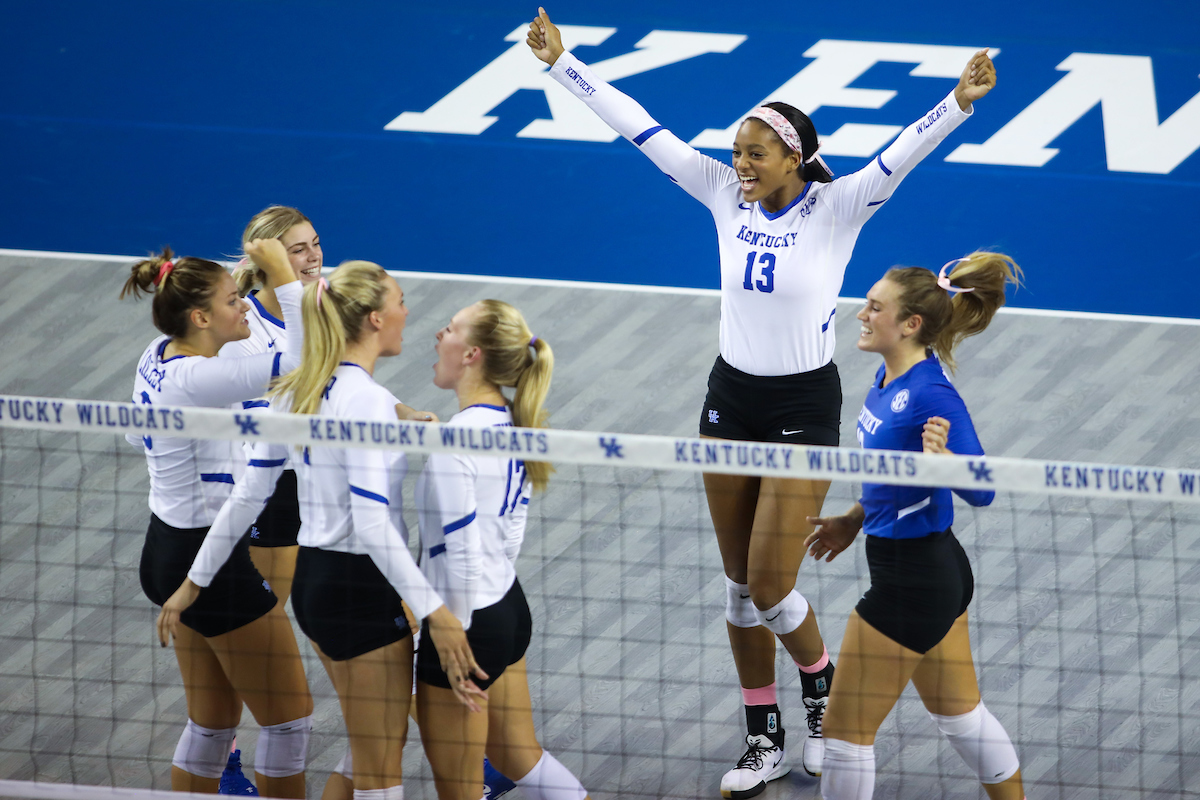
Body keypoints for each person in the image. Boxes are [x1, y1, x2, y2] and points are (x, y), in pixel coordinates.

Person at [526, 8, 997, 794]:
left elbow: (900, 157)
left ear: (793, 158)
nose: (739, 163)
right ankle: (762, 736)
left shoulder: (838, 207)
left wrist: (957, 101)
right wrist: (561, 65)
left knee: (774, 582)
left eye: (755, 153)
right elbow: (641, 130)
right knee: (740, 589)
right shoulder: (719, 193)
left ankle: (819, 693)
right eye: (737, 152)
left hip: (804, 406)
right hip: (730, 398)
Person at [162, 261, 487, 800]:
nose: (410, 313)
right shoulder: (367, 402)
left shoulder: (298, 388)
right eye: (402, 301)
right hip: (359, 586)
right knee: (381, 767)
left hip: (315, 584)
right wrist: (436, 612)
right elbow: (372, 521)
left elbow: (250, 494)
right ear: (377, 319)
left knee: (368, 753)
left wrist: (194, 580)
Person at [804, 252, 1025, 799]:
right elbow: (894, 470)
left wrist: (945, 460)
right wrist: (856, 517)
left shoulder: (931, 391)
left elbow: (982, 488)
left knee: (844, 735)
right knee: (960, 717)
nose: (862, 312)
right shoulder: (888, 374)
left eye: (875, 307)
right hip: (931, 569)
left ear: (910, 324)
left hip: (914, 580)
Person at [126, 239, 313, 797]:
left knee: (211, 725)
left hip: (163, 546)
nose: (246, 308)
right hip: (205, 559)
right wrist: (285, 278)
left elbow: (140, 433)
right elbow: (301, 363)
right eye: (235, 301)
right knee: (290, 721)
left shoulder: (157, 356)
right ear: (201, 317)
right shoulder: (196, 379)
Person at [413, 300, 590, 800]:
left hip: (465, 624)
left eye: (448, 329)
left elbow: (462, 555)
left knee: (461, 788)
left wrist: (456, 636)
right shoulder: (515, 425)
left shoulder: (457, 443)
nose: (437, 335)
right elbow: (509, 535)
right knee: (521, 758)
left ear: (471, 353)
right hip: (506, 607)